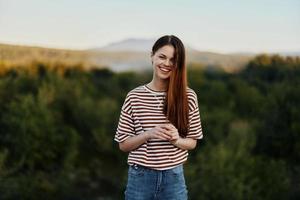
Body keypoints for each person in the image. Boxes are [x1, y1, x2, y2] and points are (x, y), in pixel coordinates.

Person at [114, 35, 203, 200]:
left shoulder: (188, 96)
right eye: (162, 57)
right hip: (140, 179)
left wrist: (176, 140)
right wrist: (148, 134)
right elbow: (123, 145)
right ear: (152, 56)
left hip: (174, 179)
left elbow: (192, 142)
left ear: (179, 64)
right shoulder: (134, 96)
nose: (166, 63)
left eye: (173, 60)